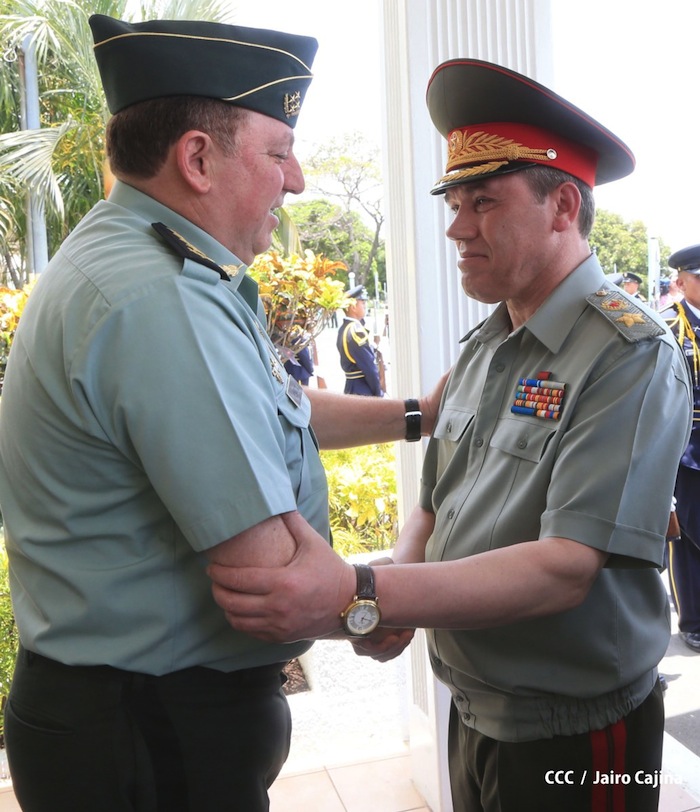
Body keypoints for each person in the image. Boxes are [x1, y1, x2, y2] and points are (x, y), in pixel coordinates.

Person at [208, 58, 693, 812]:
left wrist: (368, 588)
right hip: (476, 709)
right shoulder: (486, 345)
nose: (456, 226)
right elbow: (435, 504)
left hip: (577, 729)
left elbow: (567, 567)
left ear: (563, 205)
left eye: (484, 203)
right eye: (455, 201)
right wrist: (393, 596)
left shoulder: (628, 354)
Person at [0, 16, 445, 812]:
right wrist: (369, 602)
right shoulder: (158, 296)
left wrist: (419, 414)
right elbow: (273, 581)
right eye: (279, 153)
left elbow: (271, 410)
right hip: (150, 736)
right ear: (197, 159)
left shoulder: (148, 258)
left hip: (135, 720)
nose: (298, 179)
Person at [660, 244, 700, 654]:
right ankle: (694, 620)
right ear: (680, 282)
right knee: (688, 536)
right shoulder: (668, 328)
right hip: (687, 448)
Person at [336, 285, 384, 396]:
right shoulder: (356, 331)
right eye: (362, 303)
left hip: (352, 387)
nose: (365, 306)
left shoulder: (344, 329)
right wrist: (378, 393)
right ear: (353, 307)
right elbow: (369, 368)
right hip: (362, 389)